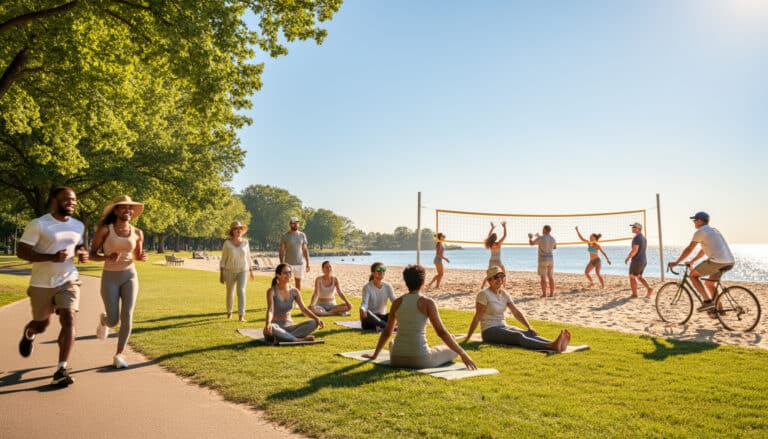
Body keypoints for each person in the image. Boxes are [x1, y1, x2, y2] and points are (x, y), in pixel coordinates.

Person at [17, 187, 89, 387]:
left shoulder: (78, 225)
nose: (72, 203)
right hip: (41, 283)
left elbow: (78, 245)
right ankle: (30, 332)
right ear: (54, 201)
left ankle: (61, 369)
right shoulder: (39, 224)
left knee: (69, 318)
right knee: (42, 325)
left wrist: (82, 252)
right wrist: (51, 257)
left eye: (74, 200)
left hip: (68, 279)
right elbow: (22, 252)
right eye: (67, 200)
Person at [363, 265, 477, 369]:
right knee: (452, 350)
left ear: (406, 282)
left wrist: (375, 355)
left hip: (396, 359)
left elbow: (387, 332)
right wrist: (463, 353)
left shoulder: (397, 303)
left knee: (392, 343)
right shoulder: (428, 303)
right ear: (423, 282)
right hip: (421, 360)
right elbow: (441, 332)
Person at [89, 195, 148, 369]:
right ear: (115, 210)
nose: (127, 211)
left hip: (130, 275)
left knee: (127, 316)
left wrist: (141, 257)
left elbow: (137, 255)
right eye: (123, 207)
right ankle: (104, 321)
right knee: (113, 320)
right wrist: (106, 257)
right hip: (110, 277)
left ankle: (119, 354)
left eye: (130, 208)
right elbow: (92, 254)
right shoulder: (105, 230)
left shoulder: (138, 233)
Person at [463, 266, 571, 352]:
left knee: (528, 333)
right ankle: (550, 346)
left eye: (501, 276)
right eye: (496, 277)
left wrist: (529, 326)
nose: (499, 280)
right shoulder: (483, 294)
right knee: (518, 336)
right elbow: (477, 317)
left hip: (503, 326)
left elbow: (516, 312)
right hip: (489, 331)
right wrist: (468, 337)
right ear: (489, 281)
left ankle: (555, 343)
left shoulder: (504, 293)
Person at [668, 211, 735, 311]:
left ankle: (707, 302)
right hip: (729, 261)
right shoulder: (714, 230)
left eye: (694, 220)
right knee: (710, 284)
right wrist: (693, 260)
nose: (693, 222)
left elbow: (689, 249)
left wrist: (676, 262)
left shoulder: (700, 232)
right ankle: (719, 309)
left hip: (717, 262)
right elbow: (703, 250)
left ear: (699, 221)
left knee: (693, 276)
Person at [264, 263, 324, 342]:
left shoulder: (295, 291)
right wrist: (268, 323)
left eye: (290, 272)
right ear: (278, 275)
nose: (289, 275)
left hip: (291, 327)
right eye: (285, 273)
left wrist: (317, 318)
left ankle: (284, 337)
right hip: (276, 327)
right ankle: (296, 339)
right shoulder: (272, 291)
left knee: (313, 323)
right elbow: (270, 310)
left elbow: (303, 309)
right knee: (272, 327)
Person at [219, 221, 254, 322]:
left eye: (240, 228)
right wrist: (221, 274)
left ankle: (241, 315)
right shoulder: (227, 243)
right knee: (230, 293)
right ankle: (229, 312)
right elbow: (223, 259)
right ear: (232, 231)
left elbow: (248, 257)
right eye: (236, 228)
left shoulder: (246, 242)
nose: (239, 230)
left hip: (243, 270)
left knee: (241, 291)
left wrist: (251, 271)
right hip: (229, 271)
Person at [359, 262, 397, 331]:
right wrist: (362, 308)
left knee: (397, 312)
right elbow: (365, 303)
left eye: (383, 269)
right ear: (373, 273)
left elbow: (395, 301)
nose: (381, 271)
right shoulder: (367, 287)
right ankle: (388, 327)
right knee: (367, 312)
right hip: (371, 318)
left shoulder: (388, 286)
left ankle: (381, 326)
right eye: (379, 269)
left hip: (383, 317)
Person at [279, 216, 310, 289]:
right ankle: (288, 299)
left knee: (298, 284)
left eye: (297, 223)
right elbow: (281, 251)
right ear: (290, 224)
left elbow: (305, 250)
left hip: (300, 264)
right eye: (294, 223)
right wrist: (281, 264)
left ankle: (297, 300)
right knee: (286, 283)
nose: (296, 225)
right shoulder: (285, 236)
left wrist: (308, 263)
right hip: (288, 264)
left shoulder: (302, 235)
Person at [625, 222, 652, 298]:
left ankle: (634, 294)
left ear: (638, 229)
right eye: (632, 227)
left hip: (637, 260)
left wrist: (628, 258)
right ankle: (649, 289)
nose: (632, 228)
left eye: (634, 227)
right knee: (639, 277)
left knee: (632, 277)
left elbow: (635, 250)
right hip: (643, 260)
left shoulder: (637, 238)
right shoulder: (643, 238)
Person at [528, 225, 557, 297]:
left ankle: (544, 294)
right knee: (550, 276)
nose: (542, 230)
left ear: (545, 230)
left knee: (543, 277)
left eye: (543, 229)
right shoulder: (553, 238)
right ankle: (551, 294)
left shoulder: (541, 238)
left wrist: (530, 238)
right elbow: (555, 247)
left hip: (543, 259)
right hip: (551, 259)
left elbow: (531, 244)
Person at [480, 221, 507, 289]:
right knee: (503, 274)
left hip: (491, 261)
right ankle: (504, 286)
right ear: (496, 238)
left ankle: (482, 286)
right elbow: (504, 236)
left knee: (489, 275)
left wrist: (492, 228)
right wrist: (504, 227)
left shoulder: (490, 244)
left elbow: (489, 236)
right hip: (498, 261)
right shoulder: (498, 244)